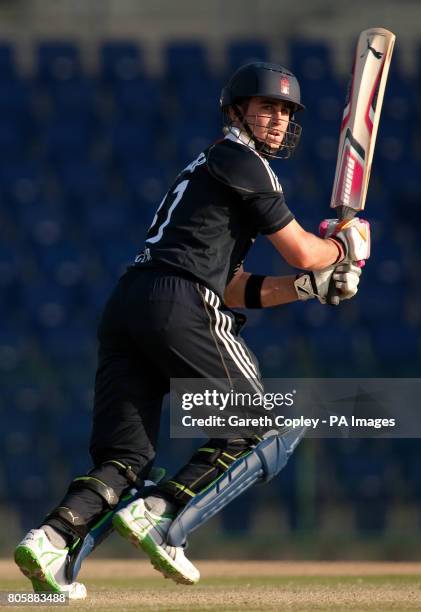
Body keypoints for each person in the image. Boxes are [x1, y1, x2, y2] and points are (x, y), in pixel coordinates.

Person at [14, 61, 369, 598]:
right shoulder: (243, 159)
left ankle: (49, 540)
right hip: (180, 300)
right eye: (266, 107)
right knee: (265, 423)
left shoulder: (211, 167)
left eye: (285, 111)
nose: (276, 119)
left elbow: (233, 285)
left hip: (132, 303)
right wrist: (342, 249)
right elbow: (301, 250)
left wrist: (305, 288)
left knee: (124, 459)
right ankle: (163, 512)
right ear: (235, 112)